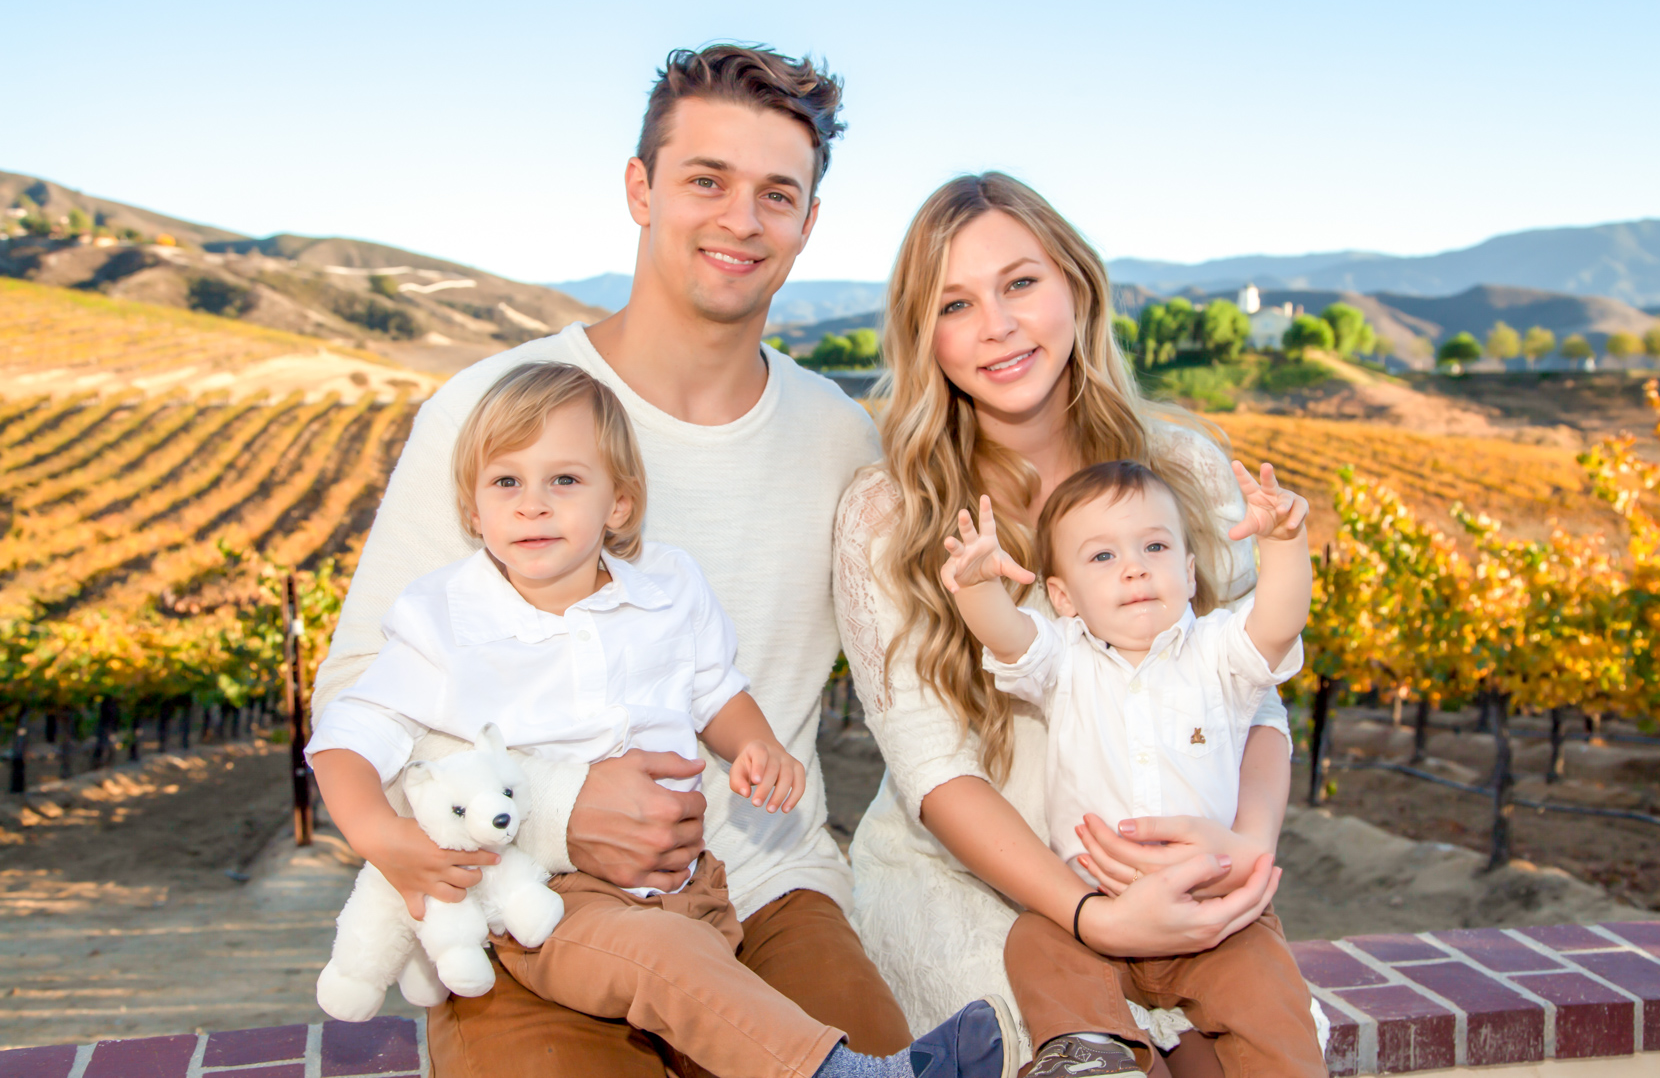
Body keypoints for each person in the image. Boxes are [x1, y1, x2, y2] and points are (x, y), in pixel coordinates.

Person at [316, 44, 914, 1076]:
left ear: (808, 222)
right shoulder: (494, 416)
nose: (741, 220)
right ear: (640, 189)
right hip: (529, 907)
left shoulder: (838, 438)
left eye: (777, 194)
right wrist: (559, 811)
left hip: (765, 888)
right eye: (706, 180)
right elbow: (356, 697)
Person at [309, 363, 1014, 1078]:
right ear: (471, 511)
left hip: (692, 886)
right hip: (547, 902)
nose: (532, 506)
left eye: (564, 480)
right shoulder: (444, 617)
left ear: (619, 503)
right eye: (506, 482)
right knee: (671, 963)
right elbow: (349, 733)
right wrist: (379, 835)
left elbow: (716, 690)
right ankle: (853, 1074)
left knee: (709, 993)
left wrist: (756, 744)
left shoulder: (668, 589)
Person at [832, 173, 1300, 1075]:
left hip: (1172, 871)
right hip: (979, 888)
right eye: (955, 304)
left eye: (1020, 283)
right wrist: (1092, 917)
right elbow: (932, 768)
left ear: (1077, 288)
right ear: (923, 335)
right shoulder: (889, 514)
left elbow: (1256, 699)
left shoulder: (1184, 472)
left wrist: (1244, 846)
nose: (997, 325)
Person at [940, 459, 1324, 1077]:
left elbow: (1278, 624)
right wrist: (976, 588)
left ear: (1189, 573)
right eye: (1102, 556)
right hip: (1098, 911)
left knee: (1272, 1001)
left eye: (1155, 546)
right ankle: (1091, 1050)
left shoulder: (1218, 654)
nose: (1134, 567)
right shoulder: (1065, 660)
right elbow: (1008, 636)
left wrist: (1283, 542)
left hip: (1215, 912)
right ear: (1063, 597)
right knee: (1035, 941)